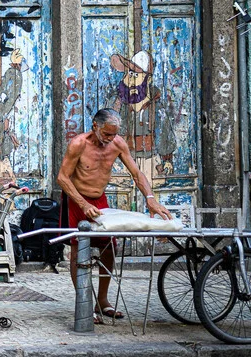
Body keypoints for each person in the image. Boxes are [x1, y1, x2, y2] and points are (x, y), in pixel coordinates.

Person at [56, 108, 172, 322]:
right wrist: (82, 203)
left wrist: (150, 199)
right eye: (106, 134)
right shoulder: (78, 144)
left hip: (99, 200)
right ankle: (85, 303)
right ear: (95, 126)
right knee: (77, 250)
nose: (110, 139)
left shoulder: (118, 144)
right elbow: (62, 177)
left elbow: (137, 174)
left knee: (109, 246)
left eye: (113, 134)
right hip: (76, 199)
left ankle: (103, 301)